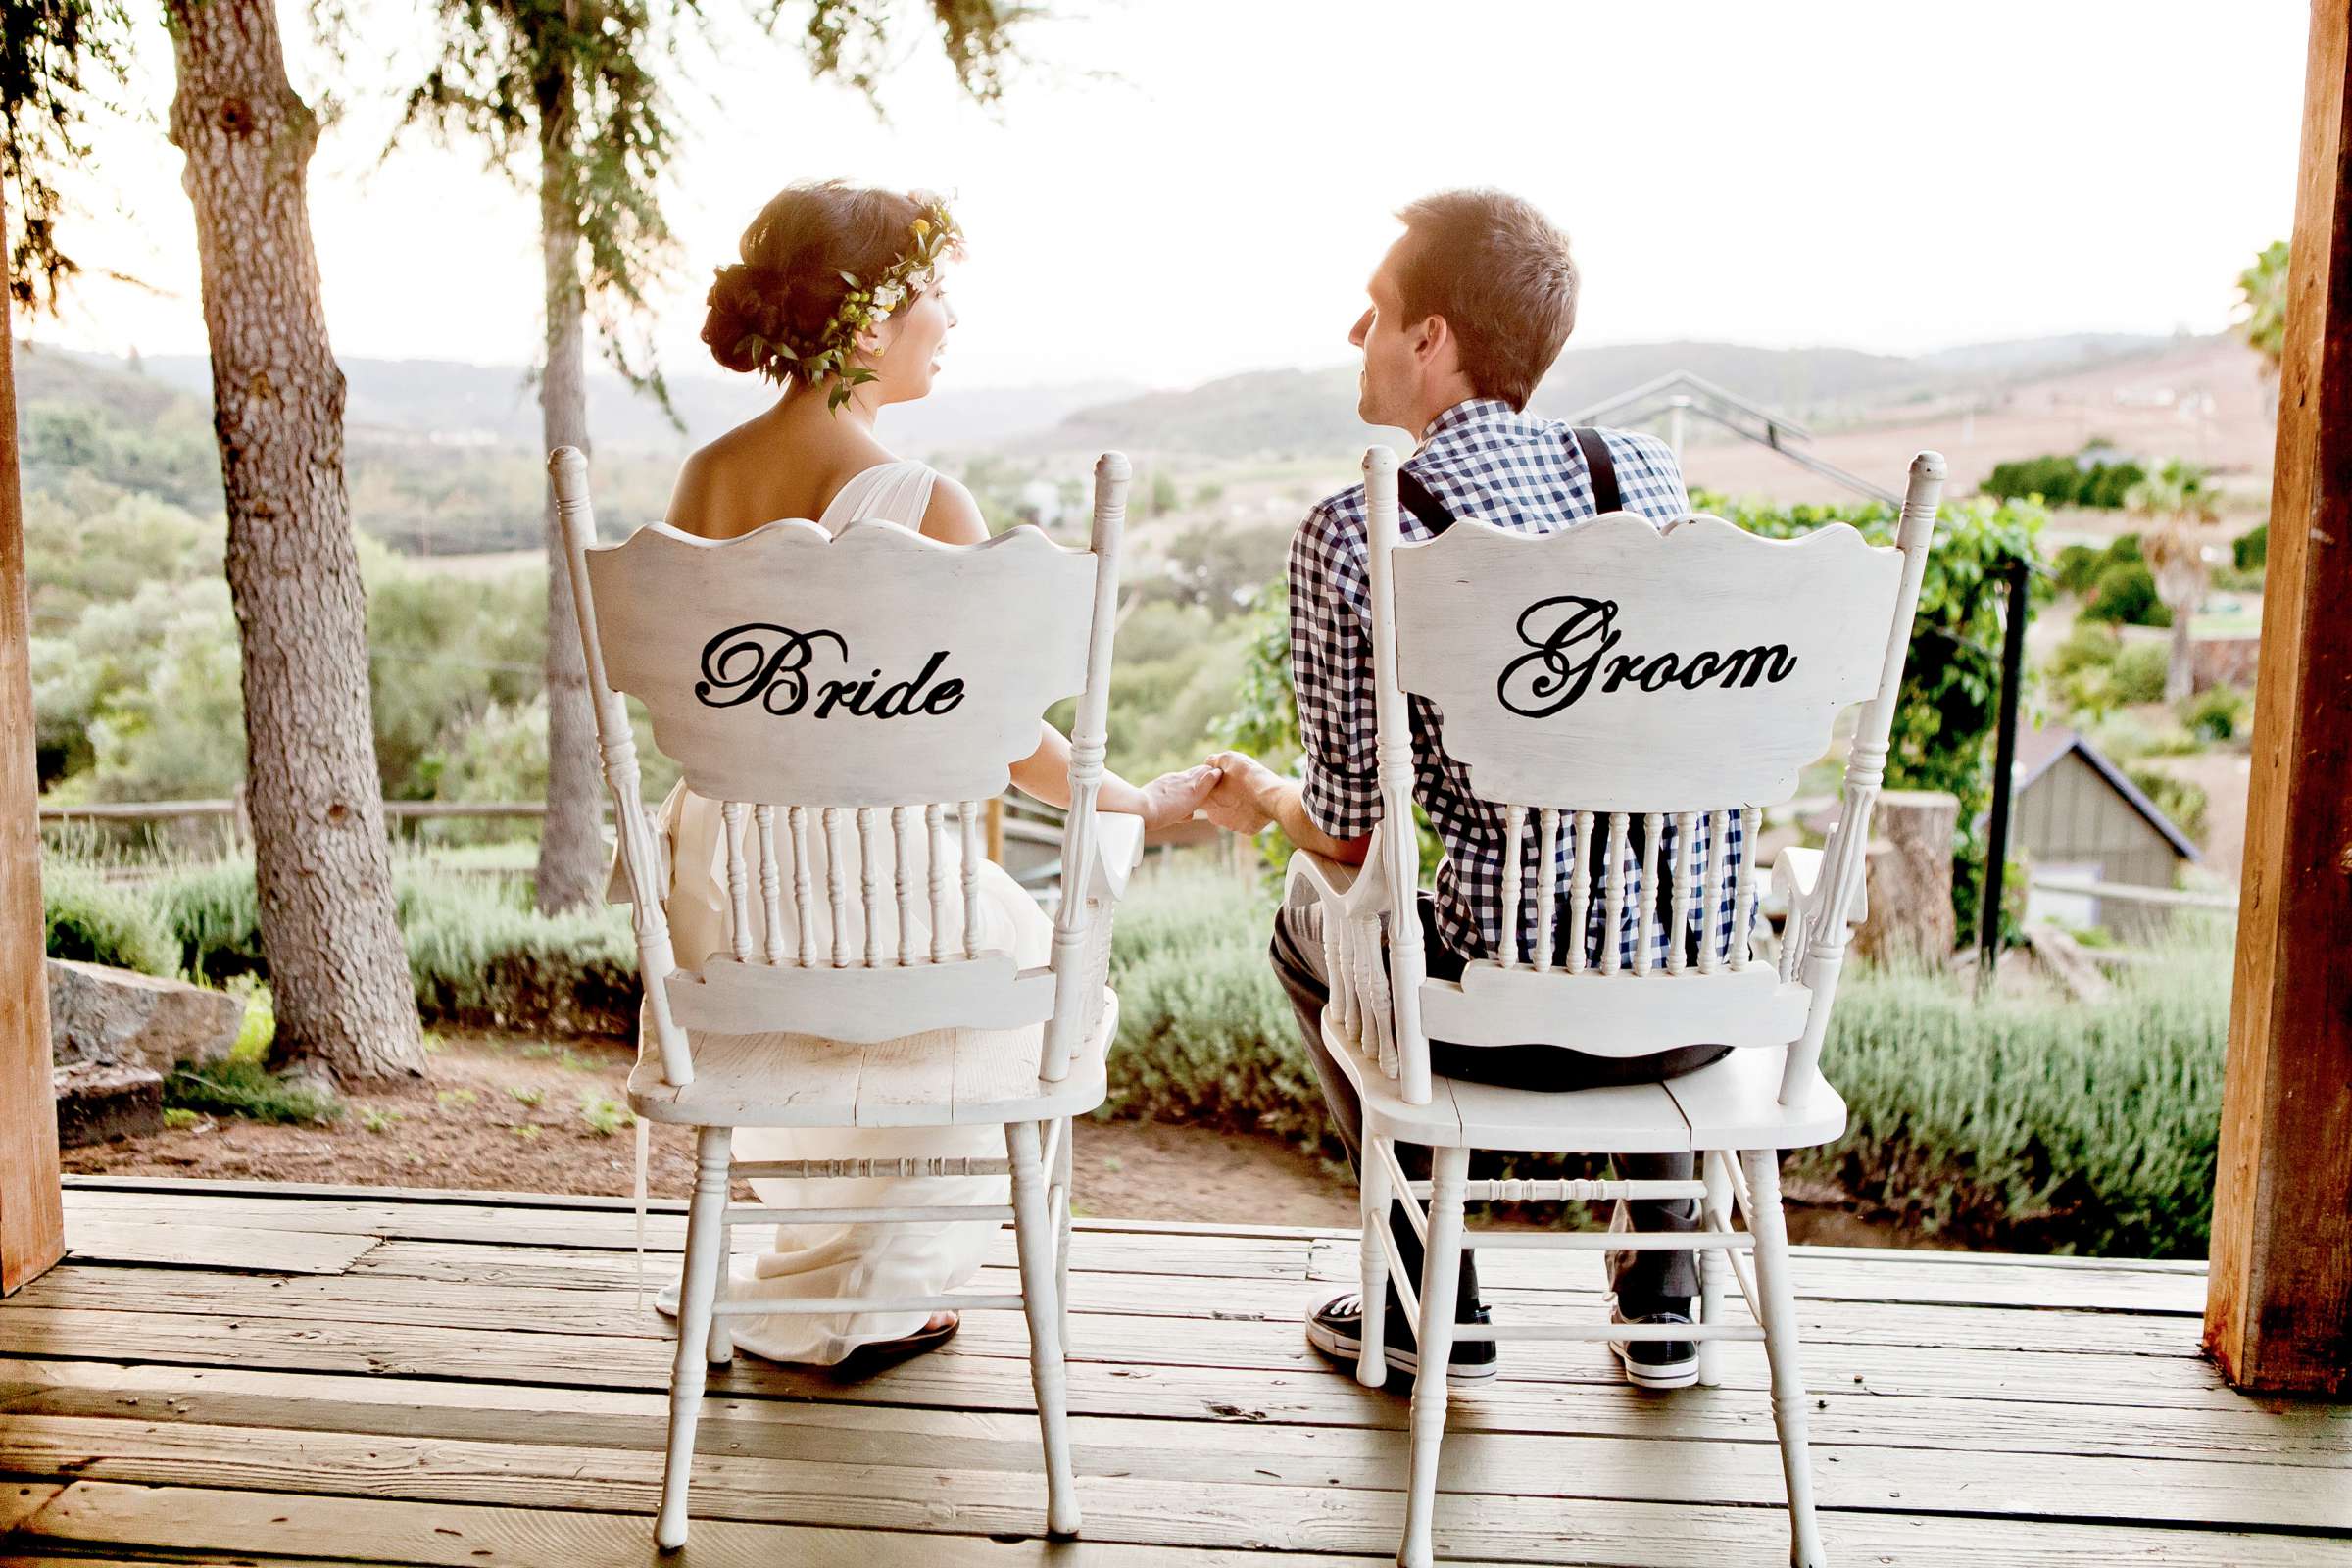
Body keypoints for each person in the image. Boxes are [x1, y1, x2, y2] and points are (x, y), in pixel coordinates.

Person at [645, 180, 1218, 1371]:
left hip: (723, 903)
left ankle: (830, 1282)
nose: (948, 318)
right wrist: (1139, 803)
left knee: (898, 1006)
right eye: (930, 292)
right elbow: (1016, 742)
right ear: (865, 322)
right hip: (870, 902)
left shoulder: (701, 479)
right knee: (1026, 989)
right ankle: (849, 1306)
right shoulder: (926, 503)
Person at [1201, 188, 1739, 1391]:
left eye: (1376, 312)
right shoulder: (1646, 478)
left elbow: (1349, 835)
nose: (1359, 335)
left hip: (1506, 1016)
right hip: (1705, 1000)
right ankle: (1664, 1279)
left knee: (1306, 920)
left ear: (1431, 338)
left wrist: (1266, 801)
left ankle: (1421, 1294)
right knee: (1637, 887)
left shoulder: (1358, 532)